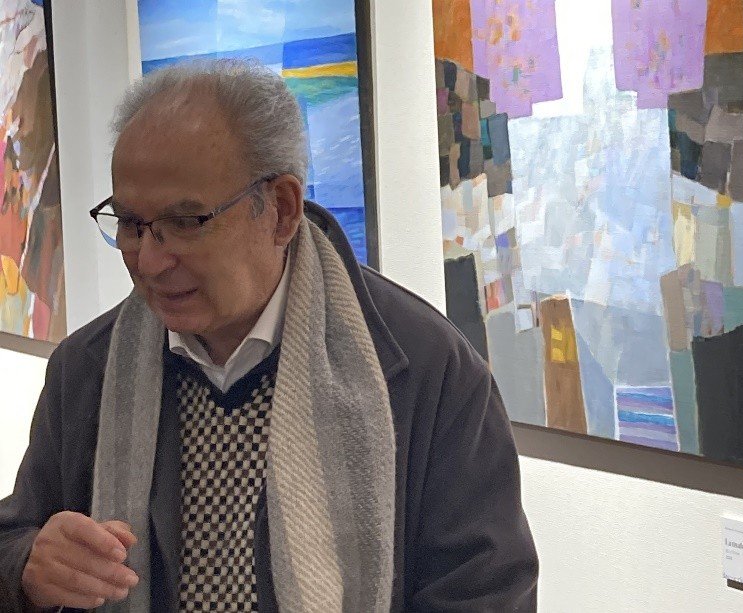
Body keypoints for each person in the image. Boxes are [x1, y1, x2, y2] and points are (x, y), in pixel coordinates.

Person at [0, 60, 538, 612]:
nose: (151, 261)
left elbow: (487, 591)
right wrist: (27, 567)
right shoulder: (87, 368)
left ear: (281, 210)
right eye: (132, 224)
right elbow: (15, 536)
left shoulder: (426, 370)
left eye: (186, 223)